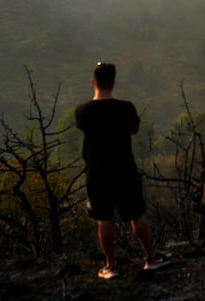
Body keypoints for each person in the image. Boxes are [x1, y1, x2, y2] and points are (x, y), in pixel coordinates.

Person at [75, 62, 171, 280]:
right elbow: (134, 129)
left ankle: (110, 266)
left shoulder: (83, 112)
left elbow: (83, 128)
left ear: (93, 81)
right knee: (136, 216)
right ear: (113, 82)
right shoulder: (126, 108)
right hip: (124, 170)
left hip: (97, 174)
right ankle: (152, 258)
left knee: (104, 219)